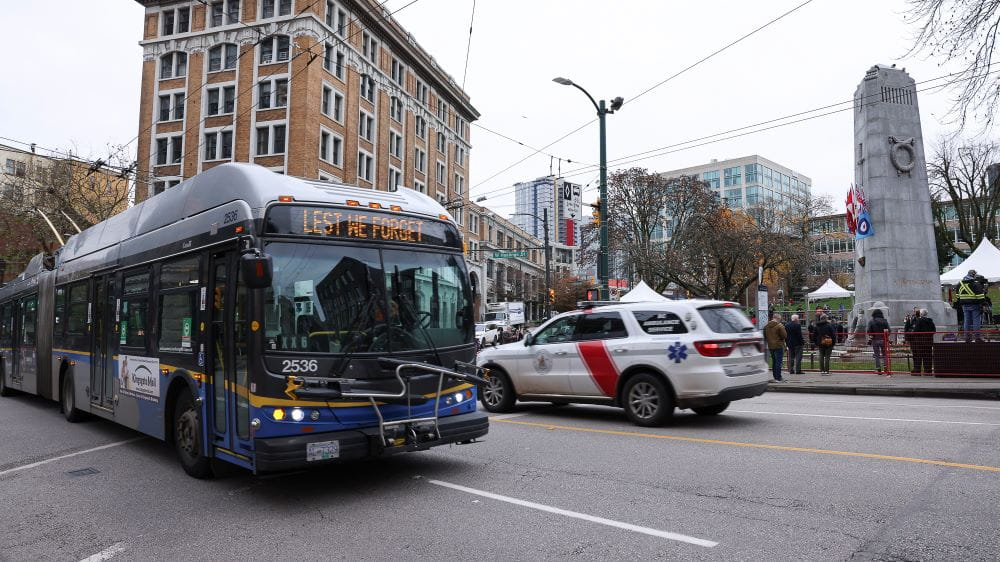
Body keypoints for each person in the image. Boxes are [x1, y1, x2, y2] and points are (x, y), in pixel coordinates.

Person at [957, 269, 987, 342]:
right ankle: (977, 338)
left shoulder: (960, 283)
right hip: (975, 305)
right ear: (973, 275)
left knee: (966, 321)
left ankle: (967, 338)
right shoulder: (975, 283)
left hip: (964, 305)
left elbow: (958, 296)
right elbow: (980, 296)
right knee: (976, 321)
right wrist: (983, 304)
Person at [763, 313, 787, 382]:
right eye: (780, 319)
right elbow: (784, 336)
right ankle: (779, 377)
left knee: (774, 362)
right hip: (779, 346)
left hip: (771, 346)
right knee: (778, 362)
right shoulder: (779, 326)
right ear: (778, 318)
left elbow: (765, 336)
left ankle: (775, 377)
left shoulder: (766, 326)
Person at [911, 309, 936, 375]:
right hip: (928, 341)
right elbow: (934, 330)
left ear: (921, 314)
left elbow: (915, 331)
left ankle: (917, 371)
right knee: (928, 356)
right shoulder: (930, 321)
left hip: (920, 341)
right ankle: (928, 371)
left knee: (919, 356)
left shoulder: (919, 321)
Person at [867, 309, 890, 376]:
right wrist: (886, 336)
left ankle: (878, 369)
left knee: (877, 355)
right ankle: (885, 367)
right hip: (883, 339)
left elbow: (868, 330)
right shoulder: (885, 321)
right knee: (884, 354)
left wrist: (871, 335)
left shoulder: (871, 321)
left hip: (875, 339)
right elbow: (889, 330)